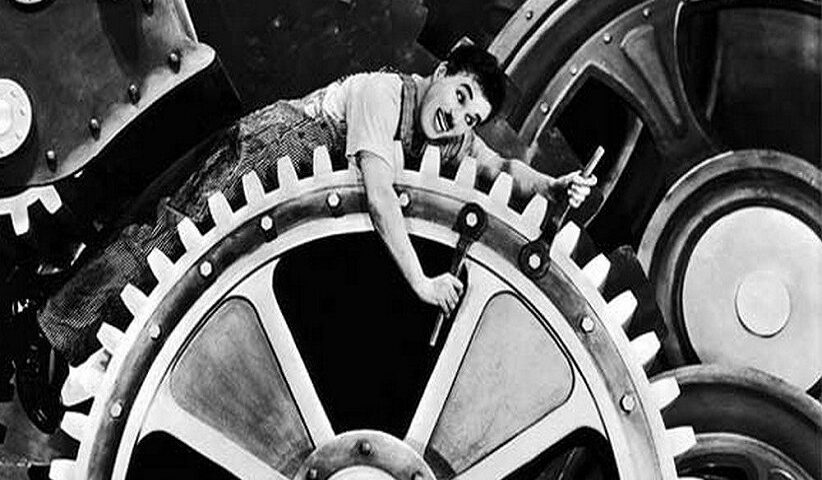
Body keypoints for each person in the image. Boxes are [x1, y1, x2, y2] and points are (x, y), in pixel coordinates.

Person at [19, 45, 594, 432]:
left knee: (178, 279)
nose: (457, 118)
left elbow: (501, 168)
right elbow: (378, 193)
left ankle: (90, 363)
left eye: (472, 118)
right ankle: (47, 332)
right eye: (461, 97)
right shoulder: (383, 95)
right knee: (166, 245)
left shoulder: (446, 134)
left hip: (288, 190)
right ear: (441, 74)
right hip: (272, 151)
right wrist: (420, 281)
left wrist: (552, 184)